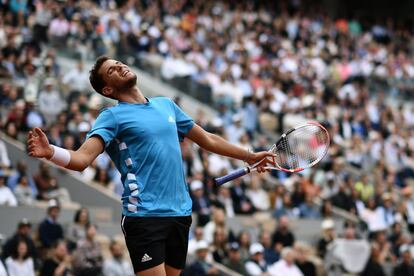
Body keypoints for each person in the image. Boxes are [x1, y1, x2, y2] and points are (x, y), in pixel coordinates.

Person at [27, 56, 275, 276]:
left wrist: (248, 155)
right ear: (107, 89)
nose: (120, 66)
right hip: (144, 216)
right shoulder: (112, 117)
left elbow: (208, 139)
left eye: (119, 63)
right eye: (112, 70)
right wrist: (51, 152)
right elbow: (81, 160)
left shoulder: (166, 105)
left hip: (180, 214)